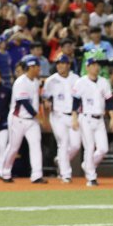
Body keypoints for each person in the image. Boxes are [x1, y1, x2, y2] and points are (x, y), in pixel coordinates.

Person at [0, 55, 44, 183]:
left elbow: (35, 100)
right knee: (13, 147)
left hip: (32, 121)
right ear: (30, 67)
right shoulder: (20, 82)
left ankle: (37, 175)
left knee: (36, 146)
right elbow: (24, 102)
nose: (38, 69)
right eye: (36, 67)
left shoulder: (35, 81)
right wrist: (38, 117)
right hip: (18, 119)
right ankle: (5, 173)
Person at [72, 58, 113, 186]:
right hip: (85, 118)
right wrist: (74, 118)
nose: (96, 67)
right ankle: (91, 177)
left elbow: (109, 101)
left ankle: (87, 164)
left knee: (103, 149)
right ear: (87, 67)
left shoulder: (104, 82)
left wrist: (112, 118)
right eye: (93, 65)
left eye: (97, 65)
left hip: (100, 119)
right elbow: (75, 101)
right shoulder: (80, 82)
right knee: (89, 147)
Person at [42, 55, 81, 183]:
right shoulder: (51, 80)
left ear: (68, 65)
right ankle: (66, 174)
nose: (60, 65)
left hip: (74, 116)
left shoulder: (76, 79)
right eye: (58, 63)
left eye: (62, 63)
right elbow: (45, 98)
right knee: (63, 143)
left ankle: (60, 160)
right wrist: (46, 115)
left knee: (75, 145)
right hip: (58, 115)